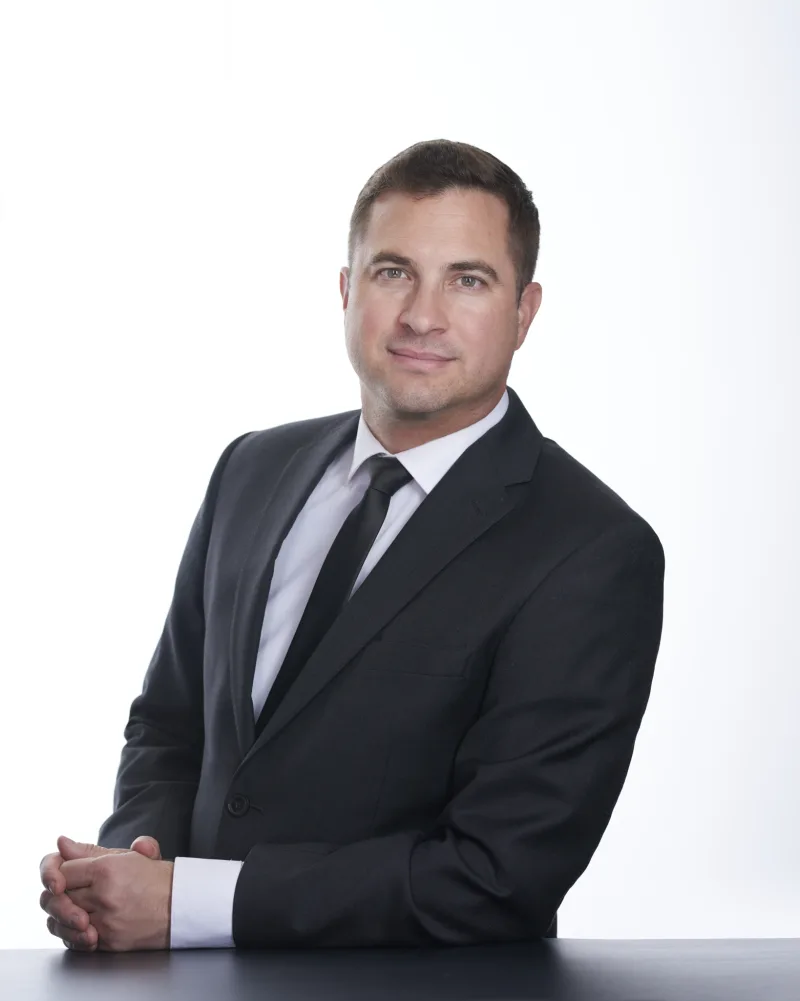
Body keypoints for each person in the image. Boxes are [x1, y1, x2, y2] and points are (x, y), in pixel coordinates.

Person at [39, 138, 665, 952]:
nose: (422, 316)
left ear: (525, 311)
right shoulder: (252, 468)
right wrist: (131, 868)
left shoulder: (591, 550)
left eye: (468, 280)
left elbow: (496, 877)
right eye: (393, 271)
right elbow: (169, 726)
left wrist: (186, 902)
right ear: (346, 288)